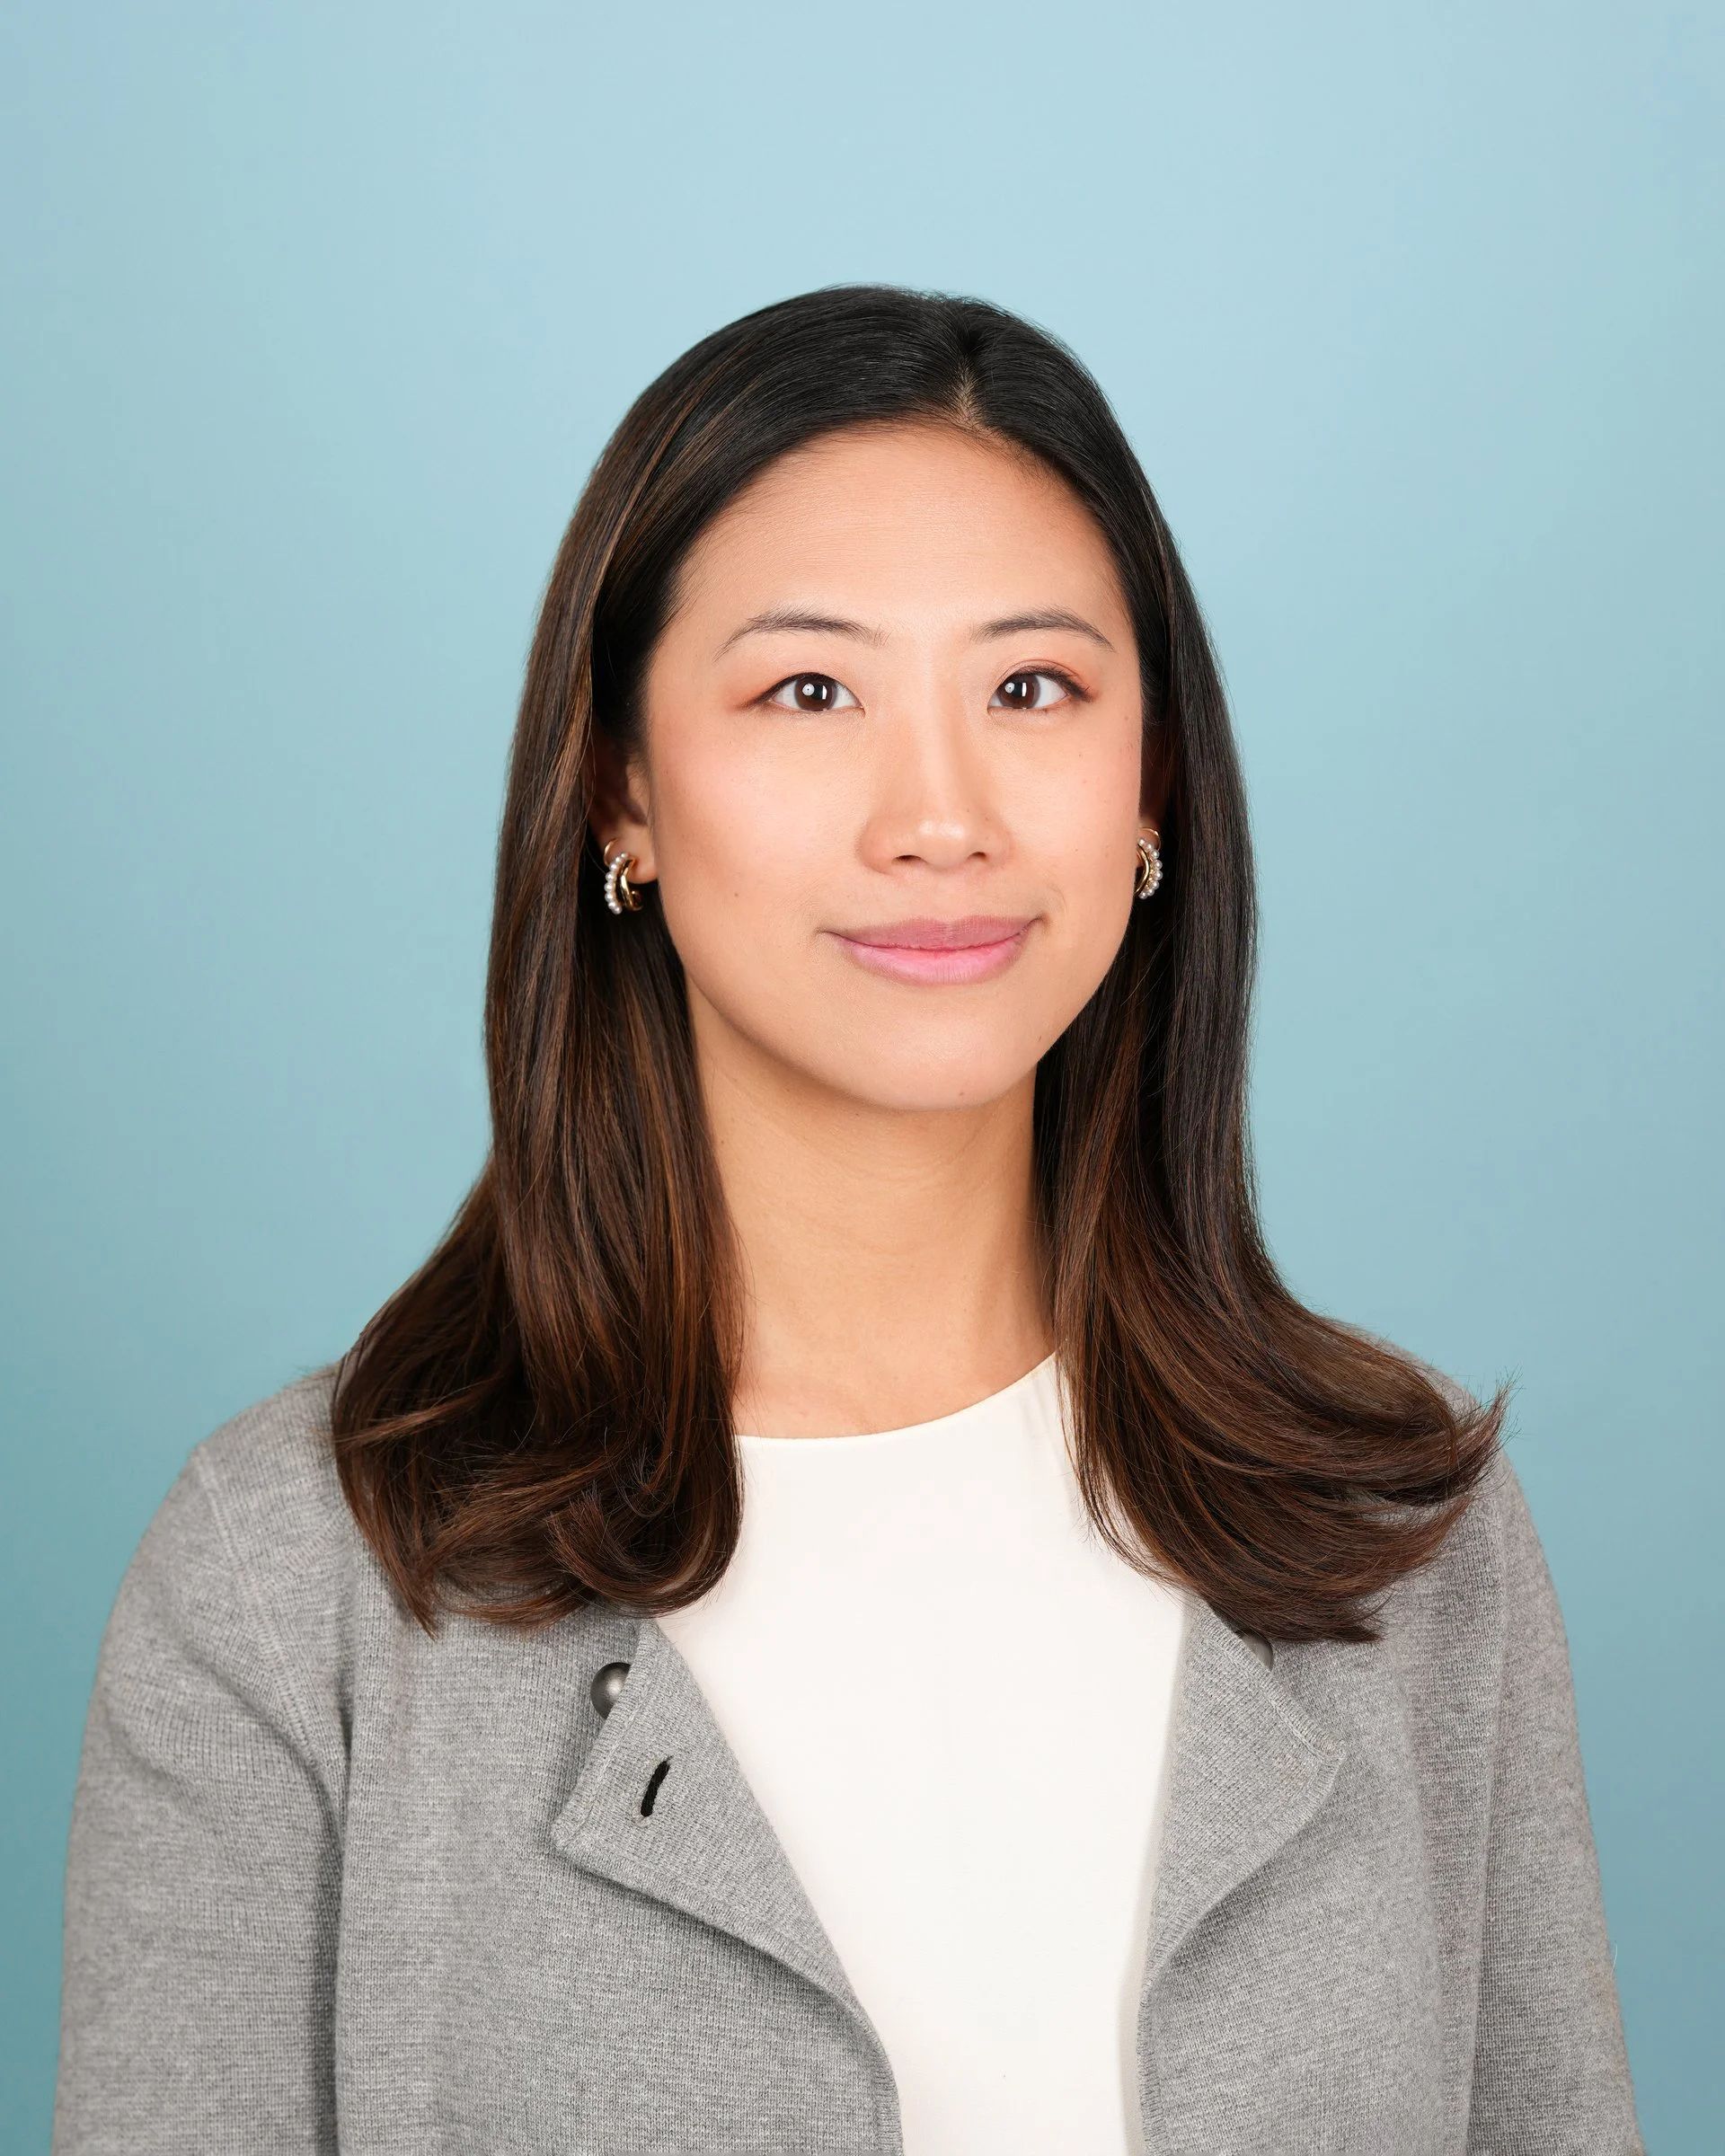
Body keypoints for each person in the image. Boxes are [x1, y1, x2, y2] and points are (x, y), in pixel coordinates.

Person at [52, 285, 1643, 2154]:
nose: (941, 813)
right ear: (620, 790)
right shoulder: (291, 1583)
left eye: (1033, 688)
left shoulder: (1405, 1544)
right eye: (810, 691)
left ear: (1156, 793)